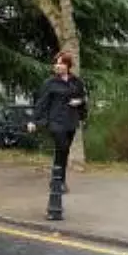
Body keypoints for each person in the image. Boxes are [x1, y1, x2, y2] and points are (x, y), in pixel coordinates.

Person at [28, 50, 88, 194]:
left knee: (65, 151)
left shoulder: (76, 81)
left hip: (71, 121)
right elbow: (41, 103)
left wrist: (78, 102)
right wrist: (33, 121)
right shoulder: (50, 83)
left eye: (61, 63)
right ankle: (57, 181)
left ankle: (60, 181)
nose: (57, 65)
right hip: (55, 121)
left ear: (68, 65)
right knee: (61, 147)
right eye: (56, 63)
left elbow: (83, 98)